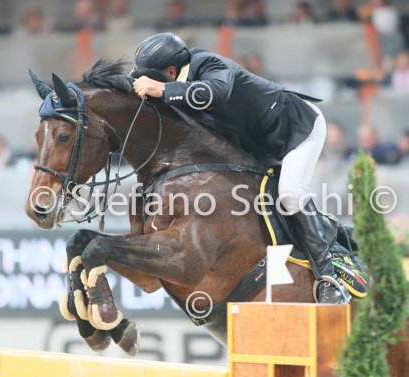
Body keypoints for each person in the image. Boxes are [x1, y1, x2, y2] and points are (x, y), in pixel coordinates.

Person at [131, 33, 349, 304]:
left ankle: (329, 278)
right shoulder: (175, 80)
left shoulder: (208, 64)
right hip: (258, 144)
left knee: (290, 193)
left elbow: (216, 93)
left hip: (296, 129)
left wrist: (163, 90)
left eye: (155, 79)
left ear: (171, 72)